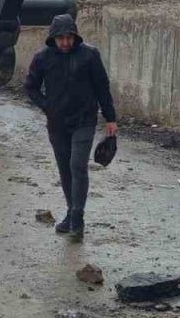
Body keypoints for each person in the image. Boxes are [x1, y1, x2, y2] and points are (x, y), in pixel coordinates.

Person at [24, 14, 117, 238]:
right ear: (52, 38)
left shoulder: (89, 55)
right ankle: (70, 211)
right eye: (60, 38)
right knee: (65, 169)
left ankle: (78, 217)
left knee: (77, 165)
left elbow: (102, 87)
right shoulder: (42, 58)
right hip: (57, 123)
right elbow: (30, 87)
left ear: (75, 36)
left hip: (84, 119)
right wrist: (47, 106)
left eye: (69, 37)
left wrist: (110, 118)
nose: (65, 42)